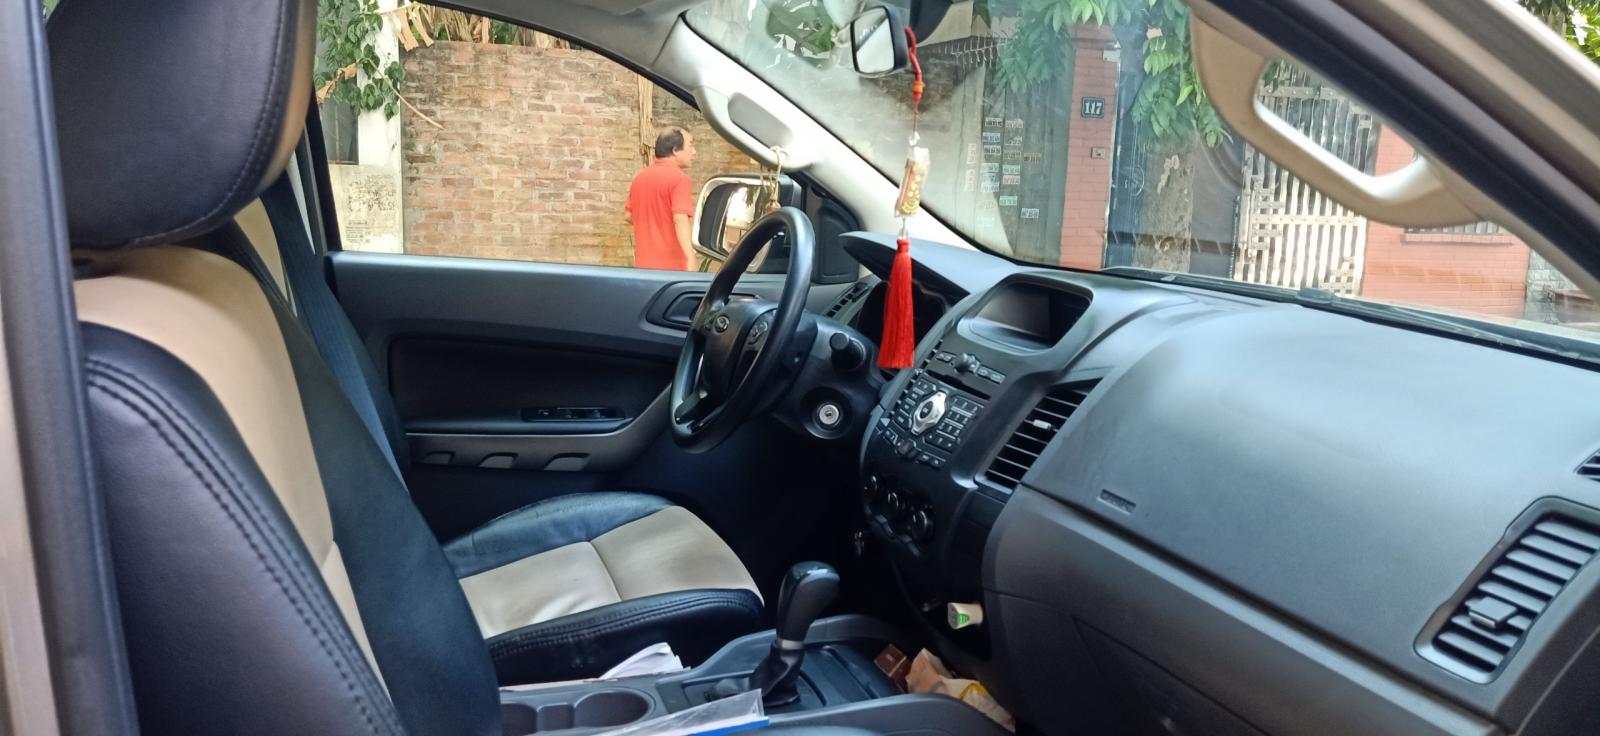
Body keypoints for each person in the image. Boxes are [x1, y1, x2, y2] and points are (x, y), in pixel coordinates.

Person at [626, 127, 698, 270]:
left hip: (644, 267)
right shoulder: (679, 179)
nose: (694, 151)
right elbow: (680, 219)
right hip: (673, 269)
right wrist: (691, 260)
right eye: (690, 145)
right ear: (675, 150)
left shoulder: (639, 178)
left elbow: (628, 216)